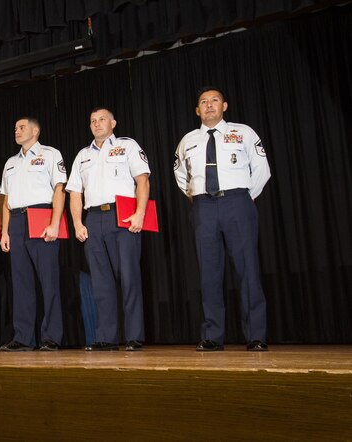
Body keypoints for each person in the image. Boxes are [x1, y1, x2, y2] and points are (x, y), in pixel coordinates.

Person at [174, 87, 271, 352]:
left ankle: (256, 335)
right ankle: (213, 335)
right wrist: (197, 197)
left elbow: (261, 168)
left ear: (224, 105)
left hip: (237, 202)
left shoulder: (243, 132)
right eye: (203, 102)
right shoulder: (188, 140)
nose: (208, 105)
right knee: (209, 272)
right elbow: (182, 177)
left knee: (247, 269)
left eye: (214, 100)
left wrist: (246, 196)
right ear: (197, 110)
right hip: (204, 206)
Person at [66, 107, 151, 352]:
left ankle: (134, 336)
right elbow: (74, 192)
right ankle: (106, 337)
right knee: (101, 282)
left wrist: (140, 213)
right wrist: (77, 223)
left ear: (113, 122)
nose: (97, 123)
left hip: (122, 215)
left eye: (102, 119)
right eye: (92, 120)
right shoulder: (83, 155)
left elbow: (143, 180)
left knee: (129, 277)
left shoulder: (128, 145)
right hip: (93, 218)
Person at [0, 117, 66, 351]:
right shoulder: (10, 162)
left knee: (48, 281)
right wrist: (4, 232)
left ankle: (51, 336)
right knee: (20, 282)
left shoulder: (50, 154)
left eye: (22, 127)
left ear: (35, 130)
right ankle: (23, 337)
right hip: (16, 220)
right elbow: (5, 200)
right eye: (15, 128)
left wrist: (55, 222)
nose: (16, 130)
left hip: (41, 216)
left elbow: (60, 189)